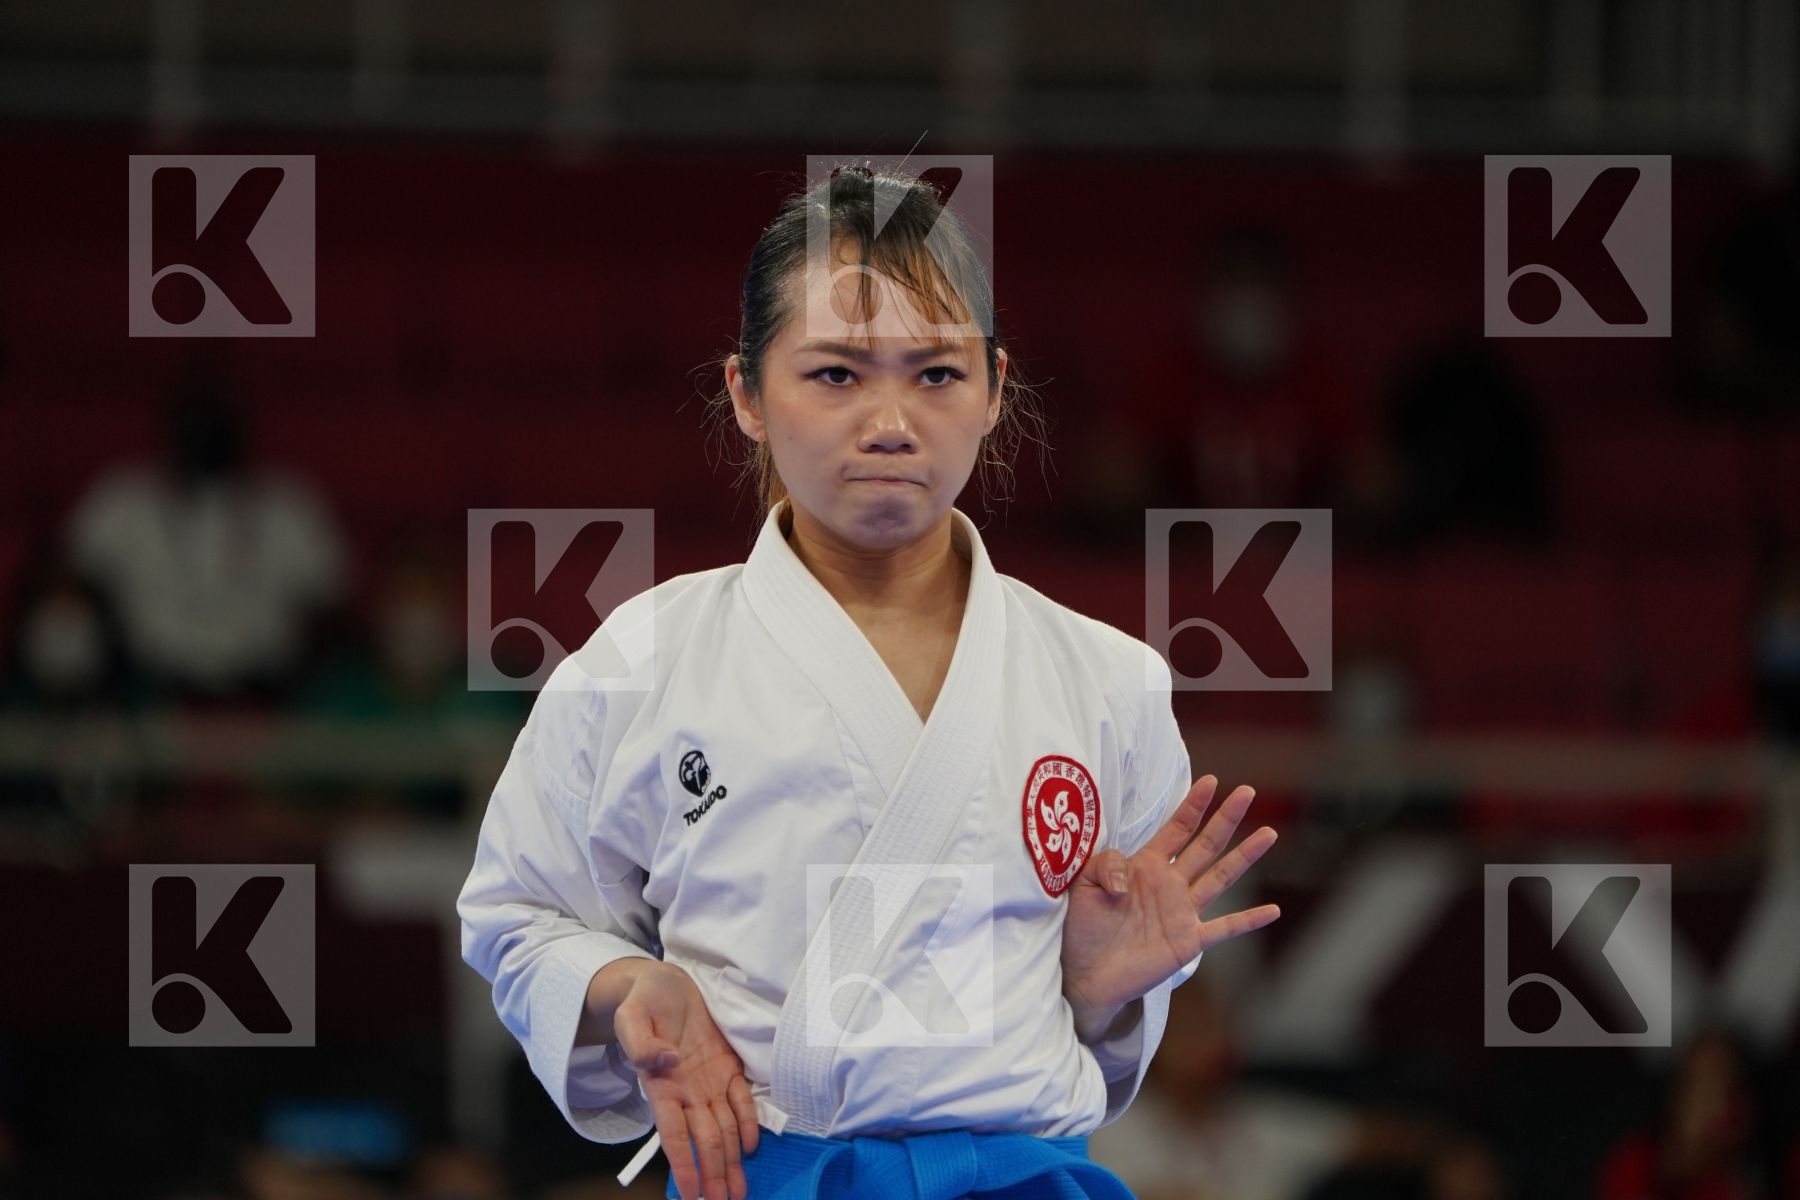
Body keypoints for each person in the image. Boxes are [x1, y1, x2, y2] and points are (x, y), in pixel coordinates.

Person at [457, 164, 1283, 1200]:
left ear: (992, 389)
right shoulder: (645, 658)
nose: (891, 420)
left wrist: (1100, 993)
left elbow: (1107, 1041)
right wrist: (631, 982)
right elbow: (515, 919)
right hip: (771, 1177)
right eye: (837, 374)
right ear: (747, 394)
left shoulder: (1106, 679)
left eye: (935, 374)